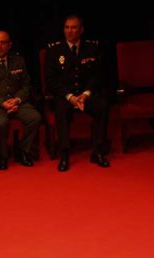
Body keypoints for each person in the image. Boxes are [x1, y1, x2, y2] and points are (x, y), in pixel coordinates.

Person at [45, 14, 110, 171]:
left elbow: (99, 75)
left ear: (81, 30)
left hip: (86, 95)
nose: (70, 31)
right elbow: (50, 80)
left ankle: (98, 151)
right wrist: (70, 97)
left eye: (74, 27)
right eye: (67, 27)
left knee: (102, 106)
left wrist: (86, 94)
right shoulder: (54, 50)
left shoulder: (92, 48)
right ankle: (65, 153)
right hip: (65, 96)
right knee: (61, 110)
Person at [0, 31, 41, 170]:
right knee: (0, 122)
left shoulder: (18, 61)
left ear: (9, 45)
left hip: (17, 102)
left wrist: (17, 99)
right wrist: (2, 103)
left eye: (3, 43)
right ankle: (3, 155)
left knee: (35, 117)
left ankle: (22, 151)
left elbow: (27, 85)